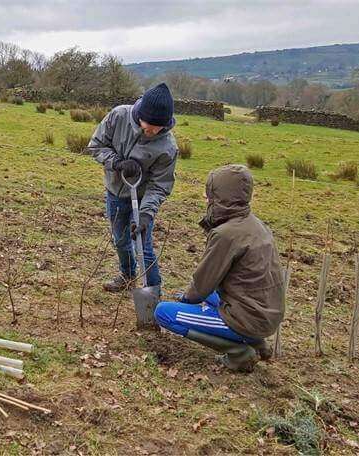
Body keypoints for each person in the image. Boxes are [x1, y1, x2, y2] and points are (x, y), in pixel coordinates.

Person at [154, 165, 285, 372]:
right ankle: (257, 343)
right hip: (266, 313)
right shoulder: (256, 225)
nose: (206, 199)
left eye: (210, 194)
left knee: (164, 313)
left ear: (221, 197)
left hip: (246, 319)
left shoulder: (226, 234)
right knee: (209, 297)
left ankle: (238, 351)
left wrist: (185, 299)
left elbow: (201, 287)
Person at [88, 83, 178, 294]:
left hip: (143, 198)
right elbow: (96, 146)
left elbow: (159, 185)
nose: (153, 131)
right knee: (120, 240)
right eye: (150, 125)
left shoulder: (167, 147)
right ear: (140, 114)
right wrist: (117, 163)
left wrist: (146, 215)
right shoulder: (118, 116)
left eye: (159, 127)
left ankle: (153, 293)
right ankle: (127, 276)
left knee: (143, 246)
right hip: (115, 193)